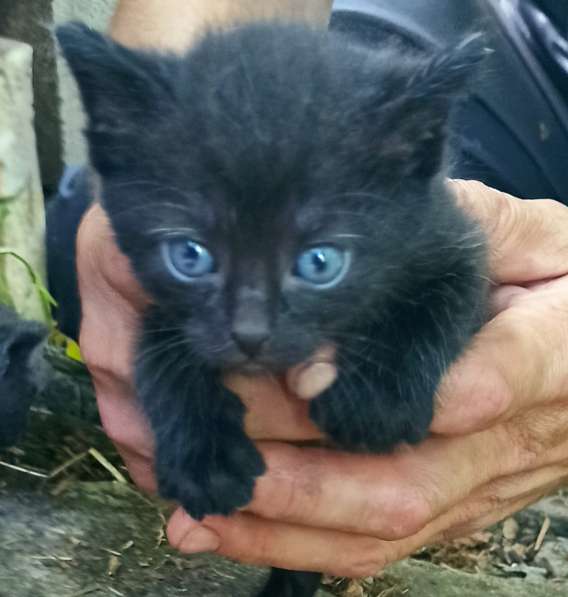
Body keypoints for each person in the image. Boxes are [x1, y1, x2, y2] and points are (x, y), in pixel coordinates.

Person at [69, 0, 568, 578]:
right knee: (70, 248)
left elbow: (455, 269)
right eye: (191, 255)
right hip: (512, 29)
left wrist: (408, 369)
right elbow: (156, 316)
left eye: (317, 262)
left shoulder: (414, 218)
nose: (249, 328)